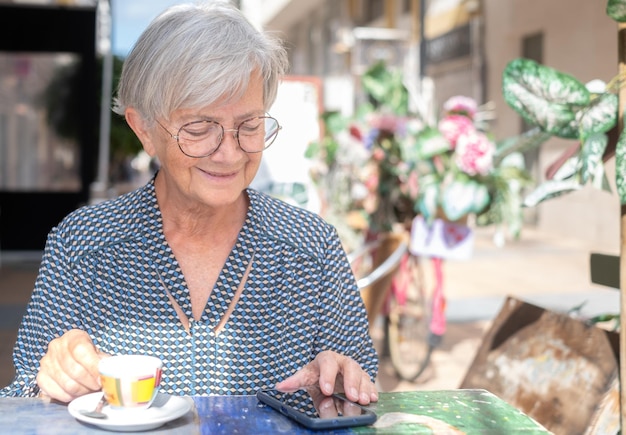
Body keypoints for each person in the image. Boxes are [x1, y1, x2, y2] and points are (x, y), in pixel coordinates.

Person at [0, 1, 378, 405]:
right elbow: (21, 395)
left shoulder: (311, 247)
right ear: (143, 129)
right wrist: (51, 381)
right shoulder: (83, 246)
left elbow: (362, 382)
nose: (230, 153)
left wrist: (344, 382)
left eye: (249, 126)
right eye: (199, 128)